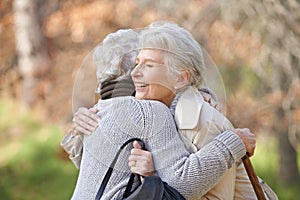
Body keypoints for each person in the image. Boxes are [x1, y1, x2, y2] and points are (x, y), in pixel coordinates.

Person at [61, 27, 256, 199]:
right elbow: (182, 186)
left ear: (181, 77)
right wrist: (234, 141)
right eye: (137, 63)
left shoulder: (105, 108)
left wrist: (152, 175)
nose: (135, 73)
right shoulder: (148, 111)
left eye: (148, 65)